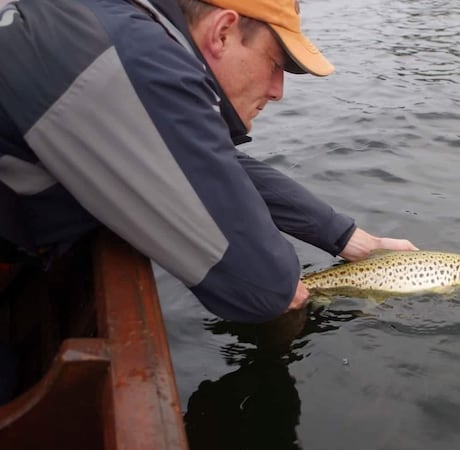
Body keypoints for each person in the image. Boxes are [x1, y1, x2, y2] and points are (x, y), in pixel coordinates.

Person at [0, 0, 417, 323]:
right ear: (222, 33)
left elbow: (215, 164)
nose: (278, 92)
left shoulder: (116, 29)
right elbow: (266, 289)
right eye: (275, 65)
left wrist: (352, 241)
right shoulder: (139, 63)